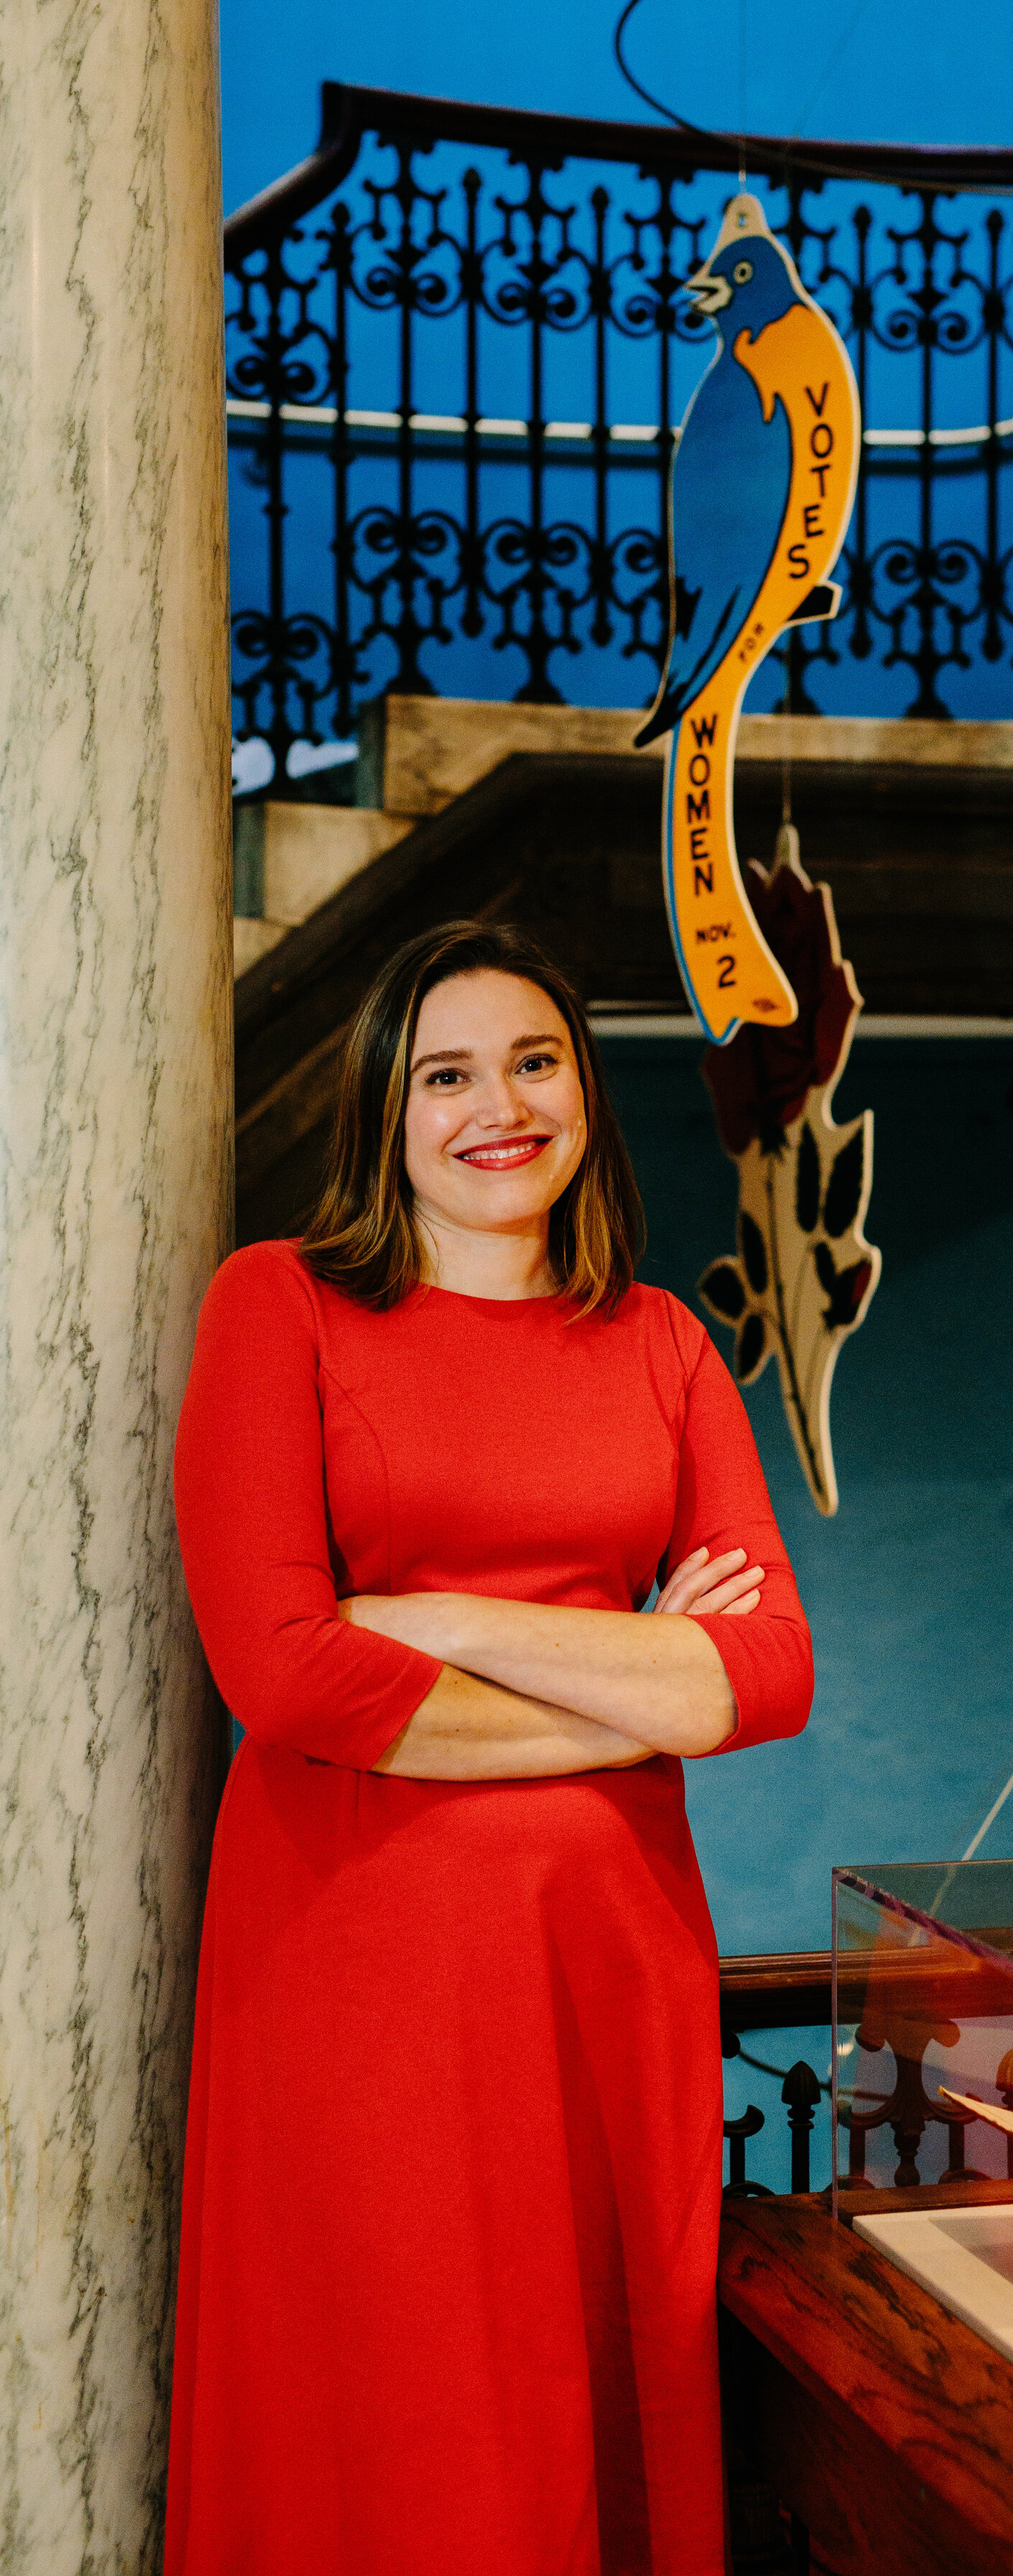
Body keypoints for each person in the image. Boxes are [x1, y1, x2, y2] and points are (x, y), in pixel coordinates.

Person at [166, 919, 813, 2575]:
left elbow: (763, 1676)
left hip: (606, 1966)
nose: (495, 1106)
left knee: (582, 2386)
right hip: (357, 1962)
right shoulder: (281, 1306)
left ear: (583, 1088)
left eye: (532, 1061)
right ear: (386, 1110)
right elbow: (291, 1677)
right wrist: (630, 1689)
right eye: (444, 1073)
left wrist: (434, 1616)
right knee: (398, 2407)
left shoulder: (662, 1342)